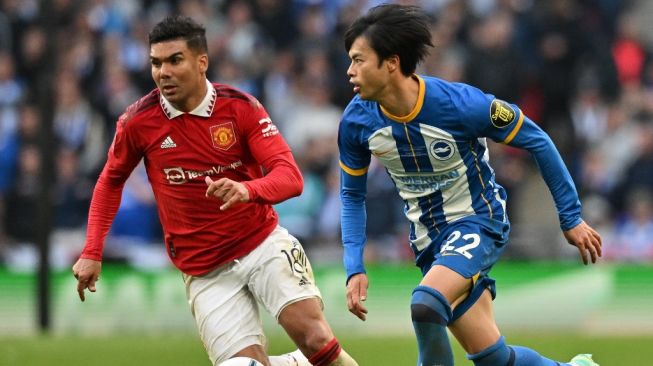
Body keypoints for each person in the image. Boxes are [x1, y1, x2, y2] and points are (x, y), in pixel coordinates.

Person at [72, 16, 358, 366]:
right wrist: (92, 250)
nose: (163, 72)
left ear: (201, 62)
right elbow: (109, 181)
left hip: (260, 244)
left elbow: (290, 177)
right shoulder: (138, 122)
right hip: (204, 269)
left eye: (174, 60)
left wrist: (247, 189)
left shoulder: (240, 108)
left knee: (316, 341)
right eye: (155, 63)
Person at [338, 5, 602, 366]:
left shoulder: (460, 105)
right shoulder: (356, 122)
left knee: (426, 303)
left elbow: (537, 139)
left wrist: (570, 217)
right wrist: (354, 266)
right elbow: (352, 195)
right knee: (493, 358)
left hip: (478, 221)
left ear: (391, 63)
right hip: (429, 241)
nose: (350, 72)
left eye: (358, 60)